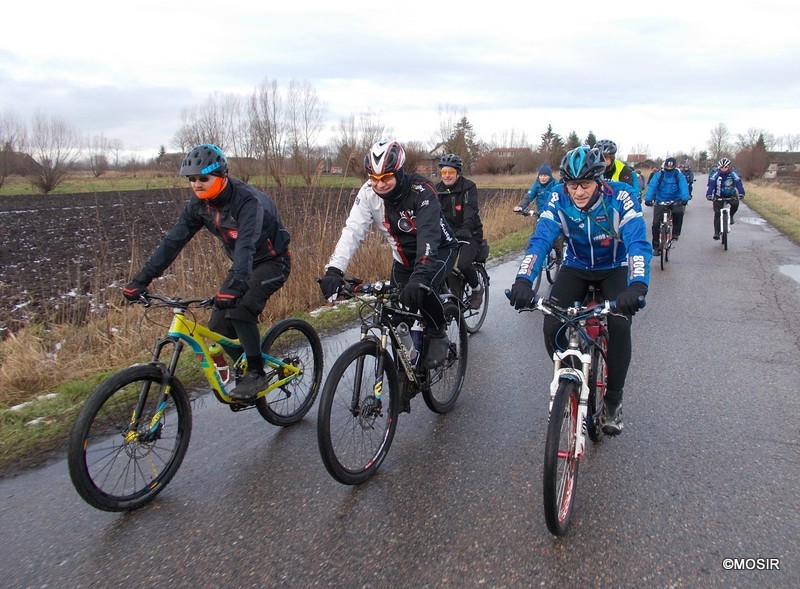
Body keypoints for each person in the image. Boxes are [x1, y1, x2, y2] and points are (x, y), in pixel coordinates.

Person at [123, 144, 292, 403]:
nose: (197, 184)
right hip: (241, 264)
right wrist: (141, 280)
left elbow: (247, 244)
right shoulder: (198, 206)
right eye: (192, 179)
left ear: (221, 175)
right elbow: (172, 243)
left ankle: (256, 373)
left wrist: (235, 287)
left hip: (272, 261)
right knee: (217, 326)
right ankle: (243, 365)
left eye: (204, 178)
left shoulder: (247, 201)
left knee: (240, 308)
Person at [508, 145, 652, 435]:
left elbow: (637, 242)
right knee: (552, 322)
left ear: (599, 181)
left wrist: (637, 285)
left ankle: (613, 401)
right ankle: (571, 378)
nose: (579, 192)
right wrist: (523, 279)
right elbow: (541, 240)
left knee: (620, 325)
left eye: (585, 184)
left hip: (614, 267)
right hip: (576, 266)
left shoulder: (620, 196)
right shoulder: (558, 198)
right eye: (573, 185)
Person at [319, 139, 458, 371]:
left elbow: (428, 235)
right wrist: (334, 270)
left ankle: (438, 330)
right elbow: (352, 231)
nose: (379, 184)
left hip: (438, 250)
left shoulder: (422, 191)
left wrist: (421, 276)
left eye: (386, 178)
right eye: (373, 179)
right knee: (397, 316)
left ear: (399, 172)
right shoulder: (367, 194)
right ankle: (407, 373)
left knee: (422, 293)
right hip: (402, 260)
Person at [435, 153, 486, 309]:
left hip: (470, 233)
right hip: (448, 234)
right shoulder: (436, 190)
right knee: (440, 265)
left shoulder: (468, 187)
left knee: (464, 264)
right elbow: (431, 213)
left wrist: (466, 227)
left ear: (457, 173)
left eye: (451, 172)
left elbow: (471, 209)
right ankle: (451, 298)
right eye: (444, 172)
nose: (447, 175)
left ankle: (477, 289)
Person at [513, 162, 564, 268]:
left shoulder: (556, 185)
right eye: (541, 175)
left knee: (556, 238)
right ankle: (531, 259)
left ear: (549, 176)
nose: (543, 178)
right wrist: (521, 207)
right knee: (535, 236)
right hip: (540, 214)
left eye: (545, 175)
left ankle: (559, 254)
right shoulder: (536, 186)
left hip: (553, 214)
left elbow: (561, 199)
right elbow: (528, 197)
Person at [644, 157, 691, 250]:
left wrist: (685, 198)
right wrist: (648, 199)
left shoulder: (679, 175)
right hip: (661, 200)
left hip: (675, 200)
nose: (669, 170)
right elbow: (652, 186)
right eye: (667, 168)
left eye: (671, 168)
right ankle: (656, 246)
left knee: (678, 213)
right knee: (656, 224)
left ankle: (675, 233)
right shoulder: (658, 175)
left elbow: (683, 186)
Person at [706, 157, 745, 239]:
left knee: (735, 204)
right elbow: (711, 185)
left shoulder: (733, 174)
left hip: (731, 195)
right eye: (722, 167)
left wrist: (741, 193)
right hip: (718, 195)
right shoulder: (716, 174)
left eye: (726, 167)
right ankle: (716, 233)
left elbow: (738, 183)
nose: (724, 169)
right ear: (719, 167)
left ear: (728, 167)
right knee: (717, 214)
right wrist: (709, 194)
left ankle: (731, 216)